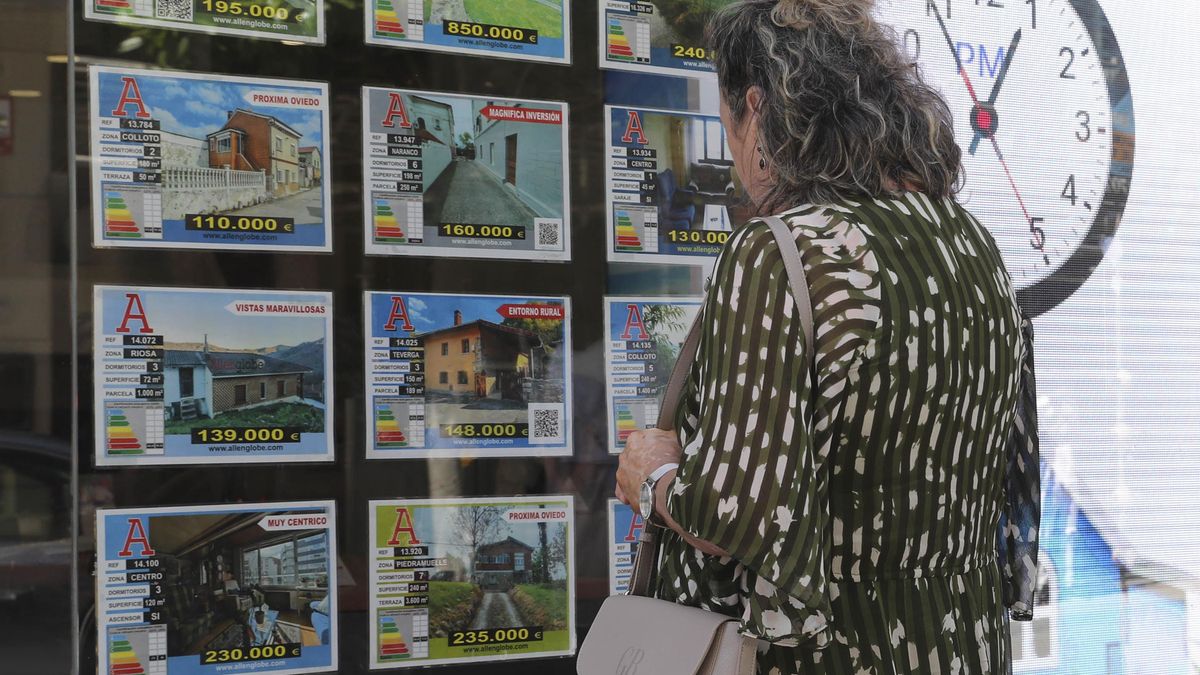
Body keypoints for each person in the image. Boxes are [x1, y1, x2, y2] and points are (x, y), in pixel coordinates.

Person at [614, 0, 1041, 672]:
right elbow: (1007, 476)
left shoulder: (780, 252)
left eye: (728, 121)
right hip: (961, 645)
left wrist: (653, 475)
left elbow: (736, 515)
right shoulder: (972, 246)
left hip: (835, 653)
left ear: (755, 108)